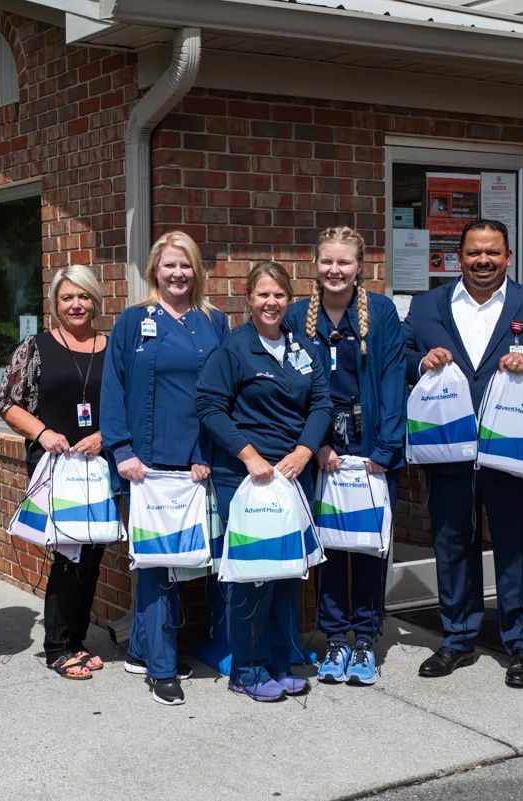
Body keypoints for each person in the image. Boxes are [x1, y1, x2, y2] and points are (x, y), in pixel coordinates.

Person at [403, 218, 523, 688]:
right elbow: (401, 355)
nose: (483, 261)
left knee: (514, 544)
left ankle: (521, 643)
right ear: (458, 257)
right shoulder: (426, 304)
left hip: (508, 444)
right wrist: (422, 362)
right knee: (452, 541)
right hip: (447, 444)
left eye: (493, 253)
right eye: (474, 253)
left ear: (508, 257)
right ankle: (458, 638)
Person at [100, 231, 230, 705]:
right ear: (154, 270)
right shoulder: (134, 321)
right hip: (144, 467)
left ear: (197, 270)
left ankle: (141, 647)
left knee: (185, 562)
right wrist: (121, 450)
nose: (178, 274)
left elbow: (222, 393)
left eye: (186, 265)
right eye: (169, 265)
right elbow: (112, 388)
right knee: (157, 566)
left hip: (197, 465)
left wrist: (207, 454)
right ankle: (160, 666)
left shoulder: (214, 322)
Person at [197, 261, 333, 702]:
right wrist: (250, 456)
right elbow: (210, 407)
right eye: (263, 295)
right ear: (249, 299)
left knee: (286, 573)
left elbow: (321, 405)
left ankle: (277, 662)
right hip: (247, 478)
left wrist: (305, 450)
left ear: (289, 300)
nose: (271, 303)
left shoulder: (303, 348)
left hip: (292, 476)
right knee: (251, 576)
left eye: (279, 295)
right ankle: (247, 670)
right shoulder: (234, 349)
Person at [284, 227, 406, 686]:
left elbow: (394, 380)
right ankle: (335, 636)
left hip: (372, 446)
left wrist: (385, 448)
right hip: (321, 450)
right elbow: (292, 393)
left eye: (344, 262)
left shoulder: (382, 313)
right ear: (315, 265)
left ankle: (364, 641)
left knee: (371, 547)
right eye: (327, 262)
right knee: (330, 547)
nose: (335, 270)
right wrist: (315, 446)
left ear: (360, 267)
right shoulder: (298, 317)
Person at [0, 266, 111, 681]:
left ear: (96, 300)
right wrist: (43, 433)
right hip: (56, 462)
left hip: (100, 461)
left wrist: (104, 436)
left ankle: (76, 640)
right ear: (55, 304)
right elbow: (6, 402)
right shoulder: (37, 347)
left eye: (83, 297)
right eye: (67, 298)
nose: (76, 305)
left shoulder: (112, 347)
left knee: (92, 552)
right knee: (68, 552)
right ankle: (59, 647)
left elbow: (131, 403)